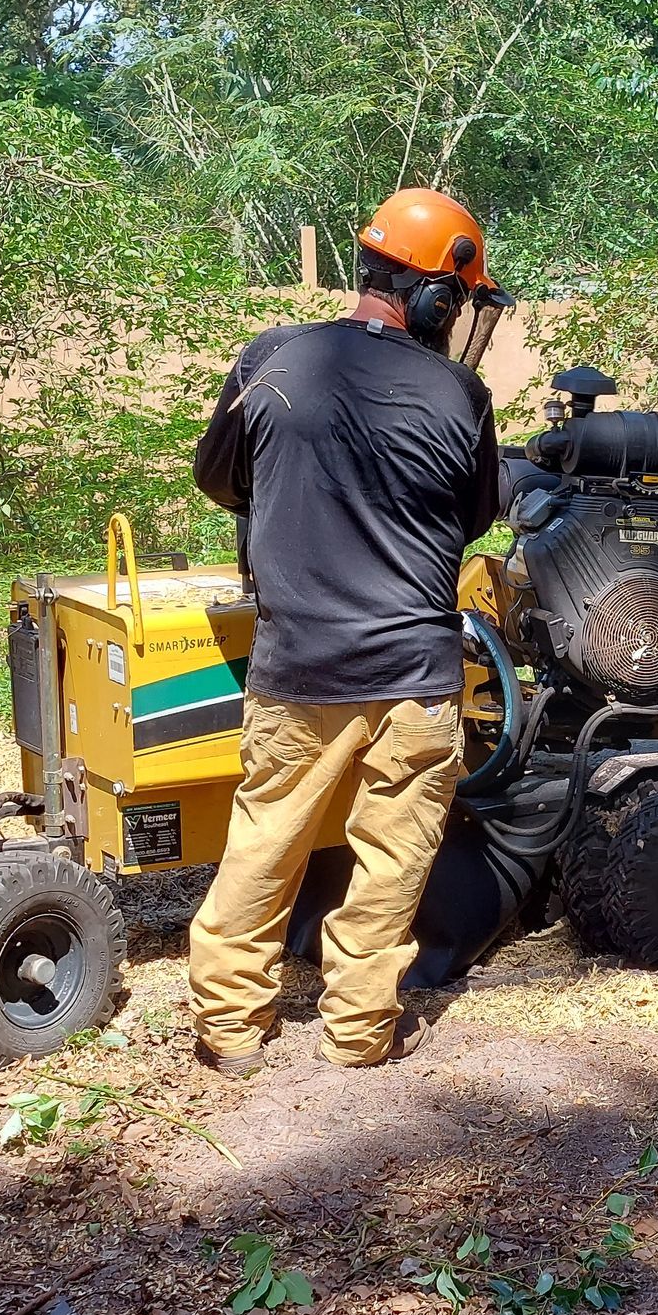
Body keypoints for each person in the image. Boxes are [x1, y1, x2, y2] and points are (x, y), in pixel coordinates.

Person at [186, 188, 506, 1075]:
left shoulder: (274, 359)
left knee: (265, 842)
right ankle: (360, 1033)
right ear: (439, 298)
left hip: (298, 669)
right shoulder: (461, 394)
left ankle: (229, 1029)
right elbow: (476, 515)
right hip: (413, 677)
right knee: (390, 862)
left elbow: (221, 480)